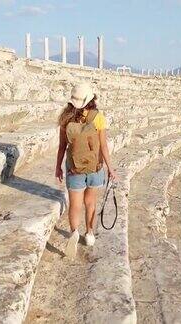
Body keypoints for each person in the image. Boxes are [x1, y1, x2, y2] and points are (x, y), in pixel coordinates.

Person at [55, 83, 117, 258]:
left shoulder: (66, 118)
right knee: (90, 203)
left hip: (74, 169)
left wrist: (58, 167)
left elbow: (61, 147)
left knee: (75, 205)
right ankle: (89, 233)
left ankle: (74, 232)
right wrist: (110, 168)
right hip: (95, 168)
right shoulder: (98, 117)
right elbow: (103, 145)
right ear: (91, 99)